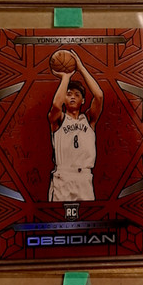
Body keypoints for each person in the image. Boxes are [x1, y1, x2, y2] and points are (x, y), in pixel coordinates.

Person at [48, 49, 103, 202]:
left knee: (87, 217)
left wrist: (81, 68)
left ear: (83, 100)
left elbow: (99, 96)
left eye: (77, 95)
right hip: (63, 178)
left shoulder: (89, 119)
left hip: (84, 178)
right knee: (59, 216)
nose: (72, 97)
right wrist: (66, 77)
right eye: (69, 94)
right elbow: (56, 105)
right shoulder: (59, 119)